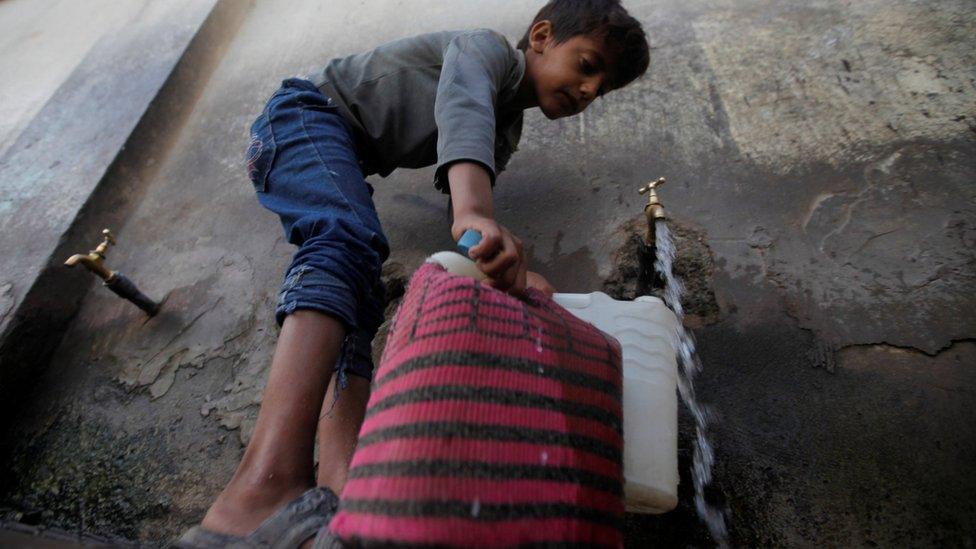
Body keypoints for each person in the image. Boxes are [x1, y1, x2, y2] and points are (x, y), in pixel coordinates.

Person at [177, 1, 649, 546]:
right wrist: (476, 214)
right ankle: (260, 489)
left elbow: (466, 211)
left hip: (341, 153)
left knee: (359, 290)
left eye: (604, 88)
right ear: (541, 36)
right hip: (303, 116)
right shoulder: (485, 49)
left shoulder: (506, 130)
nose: (590, 90)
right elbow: (463, 111)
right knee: (344, 239)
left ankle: (340, 485)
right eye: (588, 65)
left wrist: (511, 270)